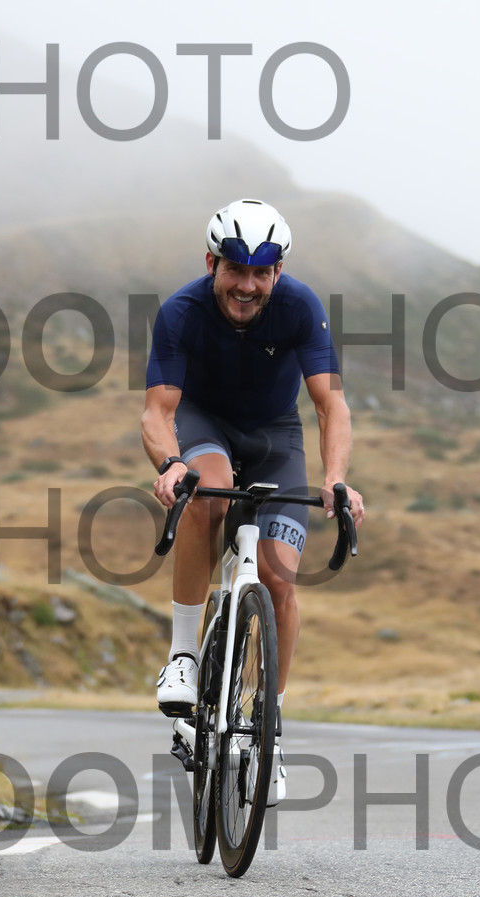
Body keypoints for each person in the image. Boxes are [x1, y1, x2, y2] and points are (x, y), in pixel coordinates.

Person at [142, 198, 366, 803]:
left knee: (279, 580)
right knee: (207, 495)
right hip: (204, 424)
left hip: (274, 437)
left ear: (278, 271)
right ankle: (183, 655)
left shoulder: (300, 307)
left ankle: (269, 729)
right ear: (211, 263)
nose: (247, 286)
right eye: (235, 270)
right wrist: (171, 465)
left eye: (261, 273)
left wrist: (336, 478)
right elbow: (158, 411)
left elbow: (330, 404)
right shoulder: (181, 311)